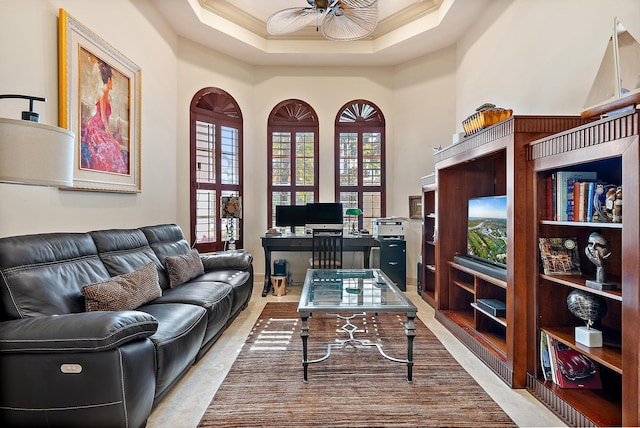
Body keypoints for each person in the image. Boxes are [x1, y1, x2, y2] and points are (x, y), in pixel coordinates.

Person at [81, 58, 129, 174]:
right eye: (112, 80)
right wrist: (112, 139)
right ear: (109, 80)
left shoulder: (108, 97)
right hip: (96, 127)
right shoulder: (102, 96)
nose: (113, 83)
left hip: (102, 128)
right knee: (111, 147)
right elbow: (103, 120)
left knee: (114, 145)